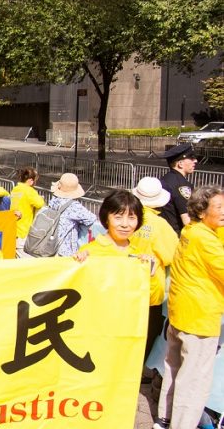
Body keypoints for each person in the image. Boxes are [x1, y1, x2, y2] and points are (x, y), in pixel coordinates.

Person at [154, 185, 224, 429]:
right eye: (219, 207)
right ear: (202, 212)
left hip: (181, 312)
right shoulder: (205, 239)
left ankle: (164, 418)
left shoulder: (192, 230)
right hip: (200, 316)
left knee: (174, 369)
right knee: (194, 380)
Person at [72, 190, 162, 306]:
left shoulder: (139, 257)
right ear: (106, 218)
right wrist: (75, 264)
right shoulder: (89, 252)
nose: (125, 224)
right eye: (118, 217)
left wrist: (151, 275)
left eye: (131, 218)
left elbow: (154, 300)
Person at [130, 176, 178, 361]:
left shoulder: (126, 217)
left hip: (124, 284)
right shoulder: (159, 225)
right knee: (147, 332)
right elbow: (171, 255)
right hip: (149, 289)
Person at [48, 173, 98, 257]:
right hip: (65, 251)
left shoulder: (53, 201)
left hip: (50, 246)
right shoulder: (73, 206)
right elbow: (91, 218)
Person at [159, 143, 197, 235]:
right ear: (180, 164)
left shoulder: (164, 179)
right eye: (191, 158)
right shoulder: (182, 186)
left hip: (162, 232)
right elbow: (187, 219)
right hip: (175, 235)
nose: (195, 161)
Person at [10, 167, 45, 257]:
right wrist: (41, 197)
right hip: (24, 230)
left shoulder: (16, 189)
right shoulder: (29, 191)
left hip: (14, 228)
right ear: (30, 180)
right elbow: (39, 203)